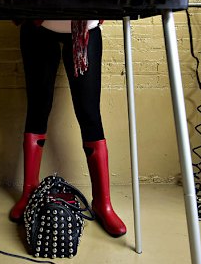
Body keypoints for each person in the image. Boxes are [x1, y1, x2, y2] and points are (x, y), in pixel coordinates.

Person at [9, 19, 127, 237]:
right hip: (37, 24)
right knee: (37, 110)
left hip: (85, 29)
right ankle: (29, 192)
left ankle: (103, 203)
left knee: (90, 114)